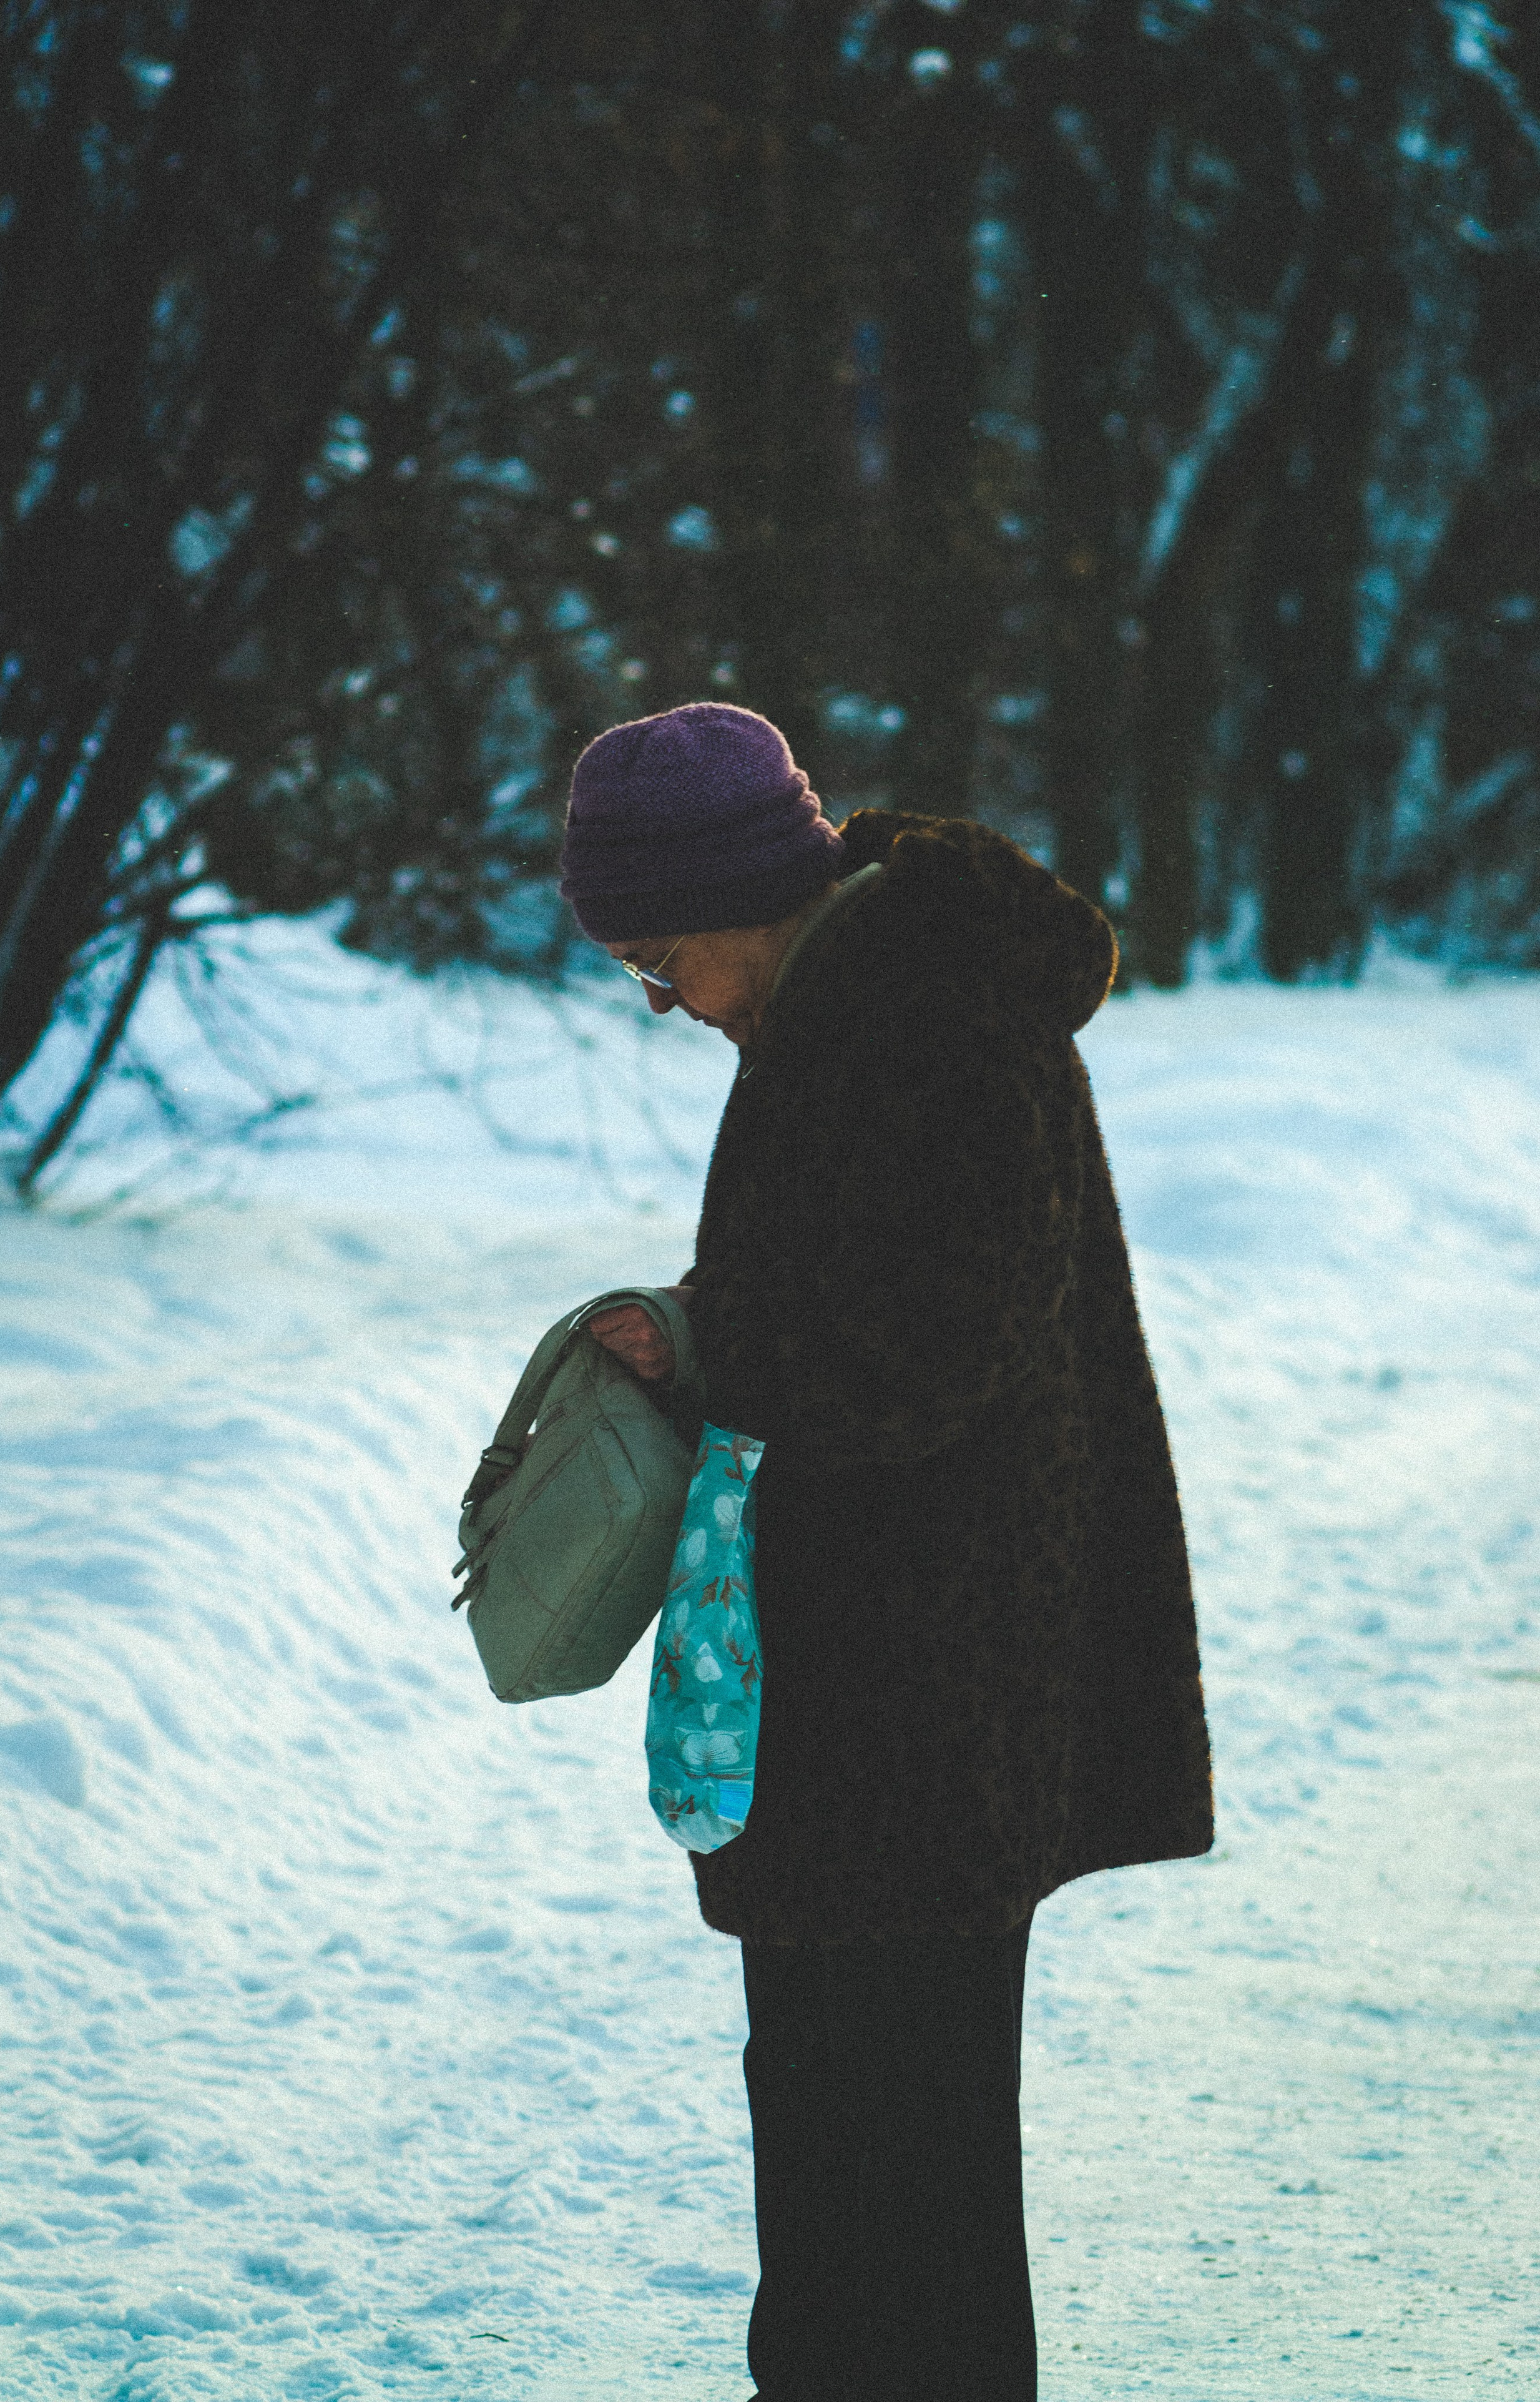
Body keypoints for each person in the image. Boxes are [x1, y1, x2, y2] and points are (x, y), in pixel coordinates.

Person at [557, 702, 1214, 2402]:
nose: (665, 1000)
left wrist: (720, 1351)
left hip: (929, 1683)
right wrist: (698, 1331)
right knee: (848, 2153)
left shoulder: (925, 1012)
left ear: (738, 898)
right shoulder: (860, 998)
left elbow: (928, 1346)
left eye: (660, 957)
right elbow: (876, 1288)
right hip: (876, 1677)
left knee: (901, 2182)